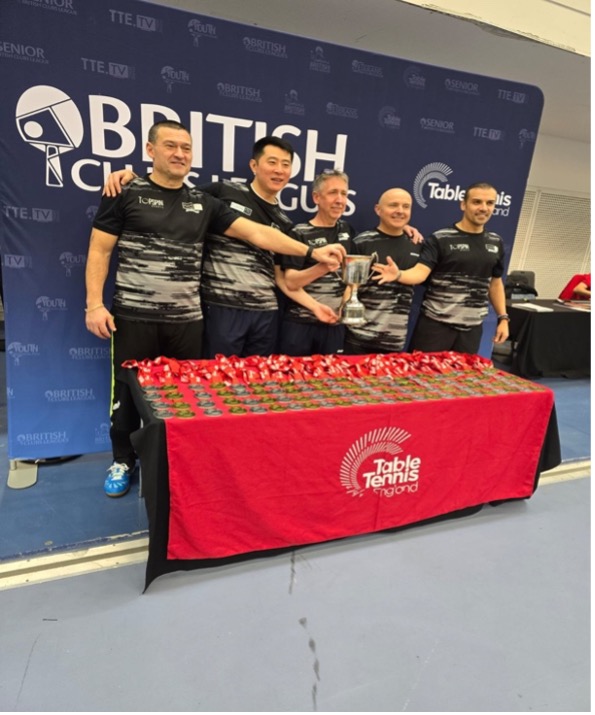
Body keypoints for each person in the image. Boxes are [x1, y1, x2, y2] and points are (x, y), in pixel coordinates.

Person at [86, 120, 345, 497]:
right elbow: (99, 249)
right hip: (132, 315)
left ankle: (176, 463)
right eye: (170, 146)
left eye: (186, 148)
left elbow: (257, 233)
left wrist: (311, 252)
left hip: (188, 321)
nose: (179, 154)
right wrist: (94, 304)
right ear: (150, 150)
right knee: (125, 396)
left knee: (185, 400)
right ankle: (123, 460)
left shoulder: (203, 203)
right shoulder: (125, 191)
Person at [104, 136, 337, 360]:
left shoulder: (284, 222)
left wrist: (315, 306)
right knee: (215, 380)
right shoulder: (222, 192)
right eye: (272, 162)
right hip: (221, 308)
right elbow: (173, 195)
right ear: (254, 165)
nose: (279, 170)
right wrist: (135, 180)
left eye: (285, 165)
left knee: (257, 381)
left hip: (265, 313)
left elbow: (281, 278)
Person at [373, 182, 509, 354]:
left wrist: (503, 318)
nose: (484, 208)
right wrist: (399, 274)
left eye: (490, 203)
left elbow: (495, 283)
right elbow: (420, 272)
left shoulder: (496, 242)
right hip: (435, 327)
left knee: (463, 373)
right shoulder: (440, 239)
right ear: (463, 205)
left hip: (472, 330)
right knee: (421, 372)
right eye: (477, 202)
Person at [278, 169, 355, 356]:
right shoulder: (299, 233)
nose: (339, 200)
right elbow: (291, 282)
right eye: (333, 193)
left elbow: (352, 276)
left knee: (332, 374)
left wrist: (345, 305)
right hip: (300, 324)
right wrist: (323, 267)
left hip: (334, 324)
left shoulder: (347, 230)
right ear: (316, 198)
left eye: (344, 194)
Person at [344, 188, 422, 354]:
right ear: (378, 209)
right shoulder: (361, 242)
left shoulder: (417, 244)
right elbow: (349, 288)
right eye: (393, 205)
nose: (400, 211)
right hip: (358, 338)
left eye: (406, 206)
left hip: (395, 341)